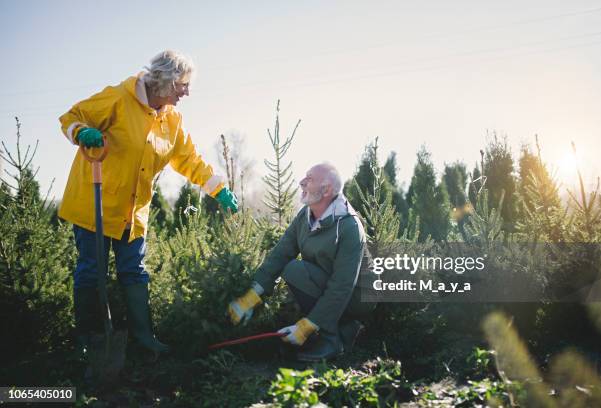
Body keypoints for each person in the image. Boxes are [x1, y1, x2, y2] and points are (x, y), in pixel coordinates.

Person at [59, 50, 238, 356]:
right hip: (95, 204)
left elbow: (189, 159)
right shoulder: (118, 98)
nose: (187, 92)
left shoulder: (172, 119)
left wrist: (218, 189)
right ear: (165, 81)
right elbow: (71, 118)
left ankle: (143, 338)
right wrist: (81, 132)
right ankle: (88, 341)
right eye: (183, 85)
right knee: (92, 271)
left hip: (133, 212)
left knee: (134, 271)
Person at [228, 163, 375, 361]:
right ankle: (343, 327)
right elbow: (280, 254)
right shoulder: (305, 217)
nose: (301, 182)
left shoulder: (349, 226)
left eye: (310, 179)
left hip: (358, 295)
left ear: (327, 190)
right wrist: (253, 294)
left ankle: (332, 341)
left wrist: (307, 325)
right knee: (293, 269)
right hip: (328, 282)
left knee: (295, 270)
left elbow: (343, 285)